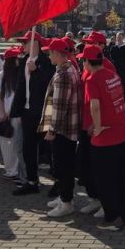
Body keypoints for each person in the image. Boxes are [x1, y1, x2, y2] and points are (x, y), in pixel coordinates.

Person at [81, 44, 125, 228]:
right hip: (123, 135)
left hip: (106, 139)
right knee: (121, 180)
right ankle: (124, 215)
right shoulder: (113, 74)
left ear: (87, 62)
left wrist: (97, 126)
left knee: (106, 181)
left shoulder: (92, 80)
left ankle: (112, 218)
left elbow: (94, 106)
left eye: (83, 61)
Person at [40, 38, 83, 217]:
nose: (48, 56)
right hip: (68, 128)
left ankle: (66, 202)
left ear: (58, 54)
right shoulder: (70, 68)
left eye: (50, 53)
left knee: (63, 167)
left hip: (63, 130)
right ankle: (65, 197)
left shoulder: (64, 74)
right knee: (65, 166)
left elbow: (60, 106)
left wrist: (52, 130)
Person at [11, 31, 55, 196]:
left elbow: (49, 84)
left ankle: (59, 183)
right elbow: (20, 87)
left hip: (44, 112)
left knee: (50, 149)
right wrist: (17, 110)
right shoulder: (24, 61)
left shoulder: (47, 61)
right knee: (28, 148)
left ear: (35, 43)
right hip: (27, 111)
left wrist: (36, 70)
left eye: (25, 42)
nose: (22, 45)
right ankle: (32, 181)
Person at [0, 47, 22, 180]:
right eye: (17, 58)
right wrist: (2, 112)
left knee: (14, 142)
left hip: (16, 114)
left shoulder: (21, 74)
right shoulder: (1, 75)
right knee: (6, 142)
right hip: (6, 114)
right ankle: (10, 169)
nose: (19, 60)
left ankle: (14, 170)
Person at [108, 32, 125, 107]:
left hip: (123, 72)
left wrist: (124, 66)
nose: (118, 38)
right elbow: (111, 59)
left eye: (120, 37)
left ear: (123, 38)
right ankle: (116, 106)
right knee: (114, 89)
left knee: (123, 88)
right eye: (117, 37)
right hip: (115, 72)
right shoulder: (113, 48)